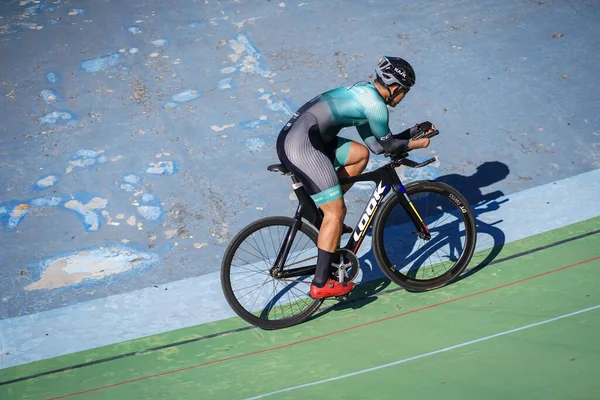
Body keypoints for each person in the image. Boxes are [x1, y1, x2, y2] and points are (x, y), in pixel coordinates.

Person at [276, 56, 436, 299]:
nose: (403, 97)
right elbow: (390, 144)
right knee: (336, 212)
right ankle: (321, 283)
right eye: (404, 92)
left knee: (359, 155)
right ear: (394, 88)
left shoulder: (364, 94)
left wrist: (411, 133)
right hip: (303, 146)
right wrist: (418, 143)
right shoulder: (376, 106)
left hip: (304, 139)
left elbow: (377, 146)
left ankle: (322, 213)